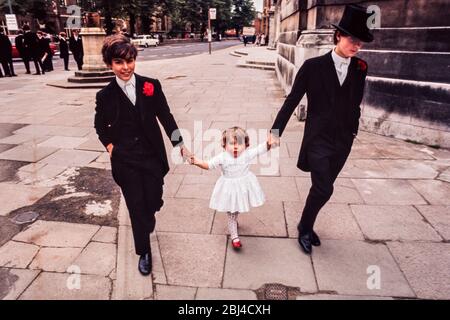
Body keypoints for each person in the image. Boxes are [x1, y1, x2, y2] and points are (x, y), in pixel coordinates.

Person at [267, 4, 374, 255]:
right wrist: (275, 132)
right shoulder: (313, 67)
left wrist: (353, 130)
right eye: (352, 40)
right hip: (318, 139)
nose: (356, 46)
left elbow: (355, 102)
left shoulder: (360, 68)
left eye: (360, 42)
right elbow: (292, 100)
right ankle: (305, 227)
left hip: (343, 140)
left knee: (321, 189)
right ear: (338, 35)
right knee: (325, 187)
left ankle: (306, 224)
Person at [94, 35, 190, 276]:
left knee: (153, 199)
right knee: (136, 206)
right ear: (110, 65)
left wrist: (179, 143)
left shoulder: (151, 85)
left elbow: (166, 116)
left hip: (151, 156)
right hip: (125, 159)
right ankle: (144, 251)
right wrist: (110, 147)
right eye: (119, 62)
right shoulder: (104, 96)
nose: (125, 67)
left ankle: (150, 214)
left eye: (130, 61)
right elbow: (99, 126)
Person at [190, 127, 270, 249]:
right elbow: (209, 165)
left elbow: (262, 149)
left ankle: (234, 221)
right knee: (231, 213)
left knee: (236, 209)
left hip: (243, 187)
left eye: (240, 143)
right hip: (229, 189)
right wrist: (196, 161)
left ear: (246, 145)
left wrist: (270, 142)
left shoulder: (247, 154)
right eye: (232, 143)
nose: (236, 147)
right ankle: (234, 236)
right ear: (224, 145)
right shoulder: (222, 157)